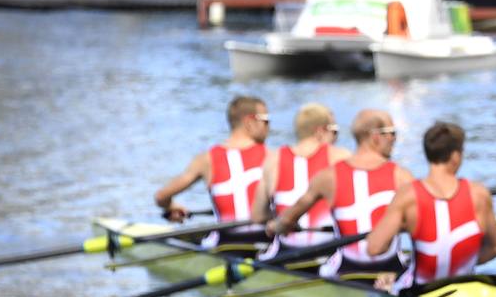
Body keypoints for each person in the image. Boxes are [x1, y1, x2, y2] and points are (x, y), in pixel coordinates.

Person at [268, 109, 413, 276]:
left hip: (345, 271)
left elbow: (287, 219)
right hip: (392, 269)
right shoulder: (403, 177)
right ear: (375, 137)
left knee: (324, 268)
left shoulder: (327, 177)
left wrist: (275, 226)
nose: (394, 139)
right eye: (392, 133)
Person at [365, 121, 496, 295]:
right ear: (455, 156)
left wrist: (402, 226)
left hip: (419, 290)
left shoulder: (408, 195)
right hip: (466, 289)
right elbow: (495, 248)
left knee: (386, 281)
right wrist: (462, 261)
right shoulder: (479, 194)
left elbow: (374, 248)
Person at [153, 95, 270, 243]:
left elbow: (161, 197)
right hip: (267, 241)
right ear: (249, 122)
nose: (269, 127)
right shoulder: (272, 157)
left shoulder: (206, 160)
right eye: (266, 121)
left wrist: (172, 207)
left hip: (226, 244)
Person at [252, 103, 352, 258]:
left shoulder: (273, 159)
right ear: (320, 131)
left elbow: (258, 216)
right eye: (334, 132)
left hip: (285, 252)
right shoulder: (342, 157)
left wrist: (276, 222)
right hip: (330, 250)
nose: (336, 138)